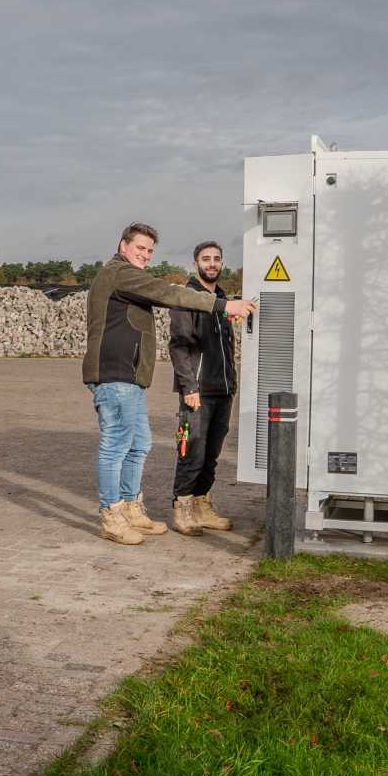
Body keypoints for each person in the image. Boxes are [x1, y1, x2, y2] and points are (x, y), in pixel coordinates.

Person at [83, 223, 256, 545]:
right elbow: (168, 293)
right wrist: (223, 305)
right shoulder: (119, 273)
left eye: (149, 250)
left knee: (139, 446)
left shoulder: (126, 276)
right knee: (116, 447)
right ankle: (111, 514)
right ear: (123, 246)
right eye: (140, 249)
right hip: (114, 375)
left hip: (130, 377)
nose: (145, 255)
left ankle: (133, 509)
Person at [168, 240, 242, 536]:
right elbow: (179, 346)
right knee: (192, 451)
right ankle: (183, 508)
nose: (212, 263)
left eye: (217, 259)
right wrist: (189, 386)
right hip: (197, 391)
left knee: (212, 453)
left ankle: (202, 505)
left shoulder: (223, 298)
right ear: (195, 263)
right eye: (206, 259)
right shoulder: (187, 297)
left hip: (223, 389)